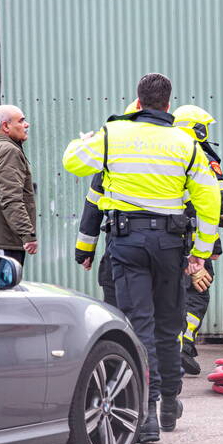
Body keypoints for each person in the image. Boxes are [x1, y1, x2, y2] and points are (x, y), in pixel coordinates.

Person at [62, 73, 220, 444]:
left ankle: (145, 415)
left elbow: (72, 160)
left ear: (137, 101)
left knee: (138, 326)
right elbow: (209, 200)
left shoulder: (112, 135)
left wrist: (104, 130)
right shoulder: (185, 143)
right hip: (170, 244)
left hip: (127, 241)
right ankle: (169, 405)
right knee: (169, 326)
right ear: (168, 104)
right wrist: (200, 253)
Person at [172, 104, 223, 375]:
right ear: (197, 129)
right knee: (197, 293)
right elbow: (220, 202)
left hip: (167, 233)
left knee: (173, 292)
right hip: (194, 235)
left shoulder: (167, 152)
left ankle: (176, 345)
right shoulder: (200, 155)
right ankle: (182, 343)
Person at [74, 100, 141, 306]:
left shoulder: (111, 152)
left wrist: (84, 252)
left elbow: (93, 206)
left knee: (119, 308)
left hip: (120, 241)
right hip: (163, 245)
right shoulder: (170, 149)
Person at [0, 105, 37, 268]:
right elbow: (11, 199)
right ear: (6, 126)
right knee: (5, 291)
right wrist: (28, 235)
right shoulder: (8, 151)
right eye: (21, 121)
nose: (26, 125)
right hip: (4, 244)